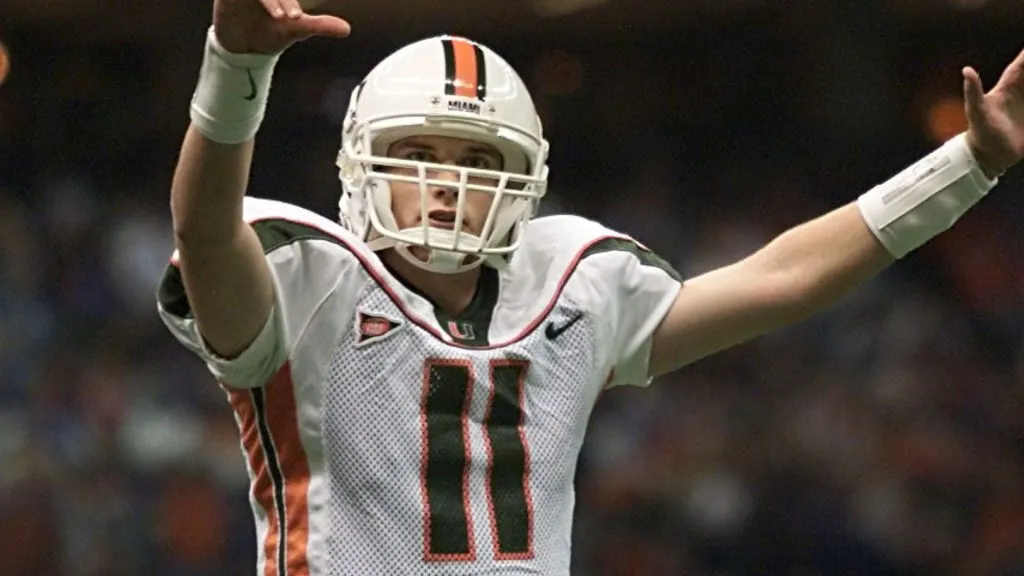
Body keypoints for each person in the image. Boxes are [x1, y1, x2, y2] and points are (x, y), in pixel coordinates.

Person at [156, 0, 1024, 573]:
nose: (450, 184)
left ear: (525, 179)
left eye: (477, 160)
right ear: (364, 168)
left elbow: (783, 278)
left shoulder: (573, 284)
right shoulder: (306, 287)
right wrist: (234, 68)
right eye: (419, 155)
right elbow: (202, 228)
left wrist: (969, 164)